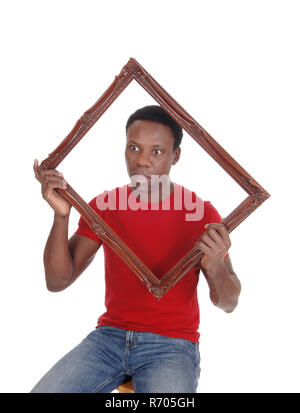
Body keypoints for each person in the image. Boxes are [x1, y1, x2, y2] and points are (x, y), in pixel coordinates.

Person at [31, 105, 241, 393]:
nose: (142, 161)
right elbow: (56, 281)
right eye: (134, 148)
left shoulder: (201, 214)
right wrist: (61, 216)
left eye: (156, 151)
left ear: (175, 156)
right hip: (109, 339)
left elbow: (228, 302)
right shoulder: (104, 207)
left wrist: (215, 264)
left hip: (172, 345)